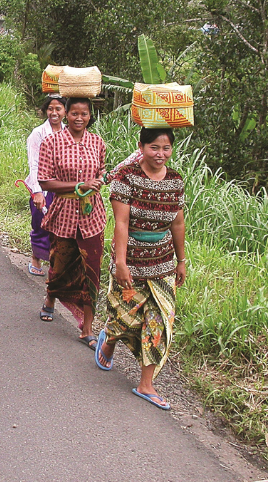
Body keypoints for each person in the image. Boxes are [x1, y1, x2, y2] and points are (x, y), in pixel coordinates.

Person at [95, 127, 186, 411]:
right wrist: (121, 264)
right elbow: (121, 223)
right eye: (154, 148)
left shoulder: (175, 181)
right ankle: (110, 337)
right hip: (131, 259)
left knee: (161, 320)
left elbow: (178, 223)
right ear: (141, 147)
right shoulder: (126, 178)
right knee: (126, 318)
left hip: (163, 262)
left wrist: (181, 260)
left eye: (166, 148)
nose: (160, 154)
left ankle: (146, 383)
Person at [37, 97, 106, 344]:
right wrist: (79, 185)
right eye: (74, 113)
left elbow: (101, 171)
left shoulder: (98, 142)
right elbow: (44, 181)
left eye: (84, 114)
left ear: (90, 115)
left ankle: (87, 328)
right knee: (60, 263)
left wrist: (99, 180)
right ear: (67, 114)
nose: (79, 118)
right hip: (64, 212)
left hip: (92, 215)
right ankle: (51, 296)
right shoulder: (51, 142)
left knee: (92, 271)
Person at [24, 95, 67, 278]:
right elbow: (34, 164)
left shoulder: (70, 132)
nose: (54, 113)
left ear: (65, 111)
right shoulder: (38, 133)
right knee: (41, 224)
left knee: (62, 226)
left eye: (58, 109)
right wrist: (37, 192)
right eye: (50, 109)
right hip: (42, 187)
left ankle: (58, 263)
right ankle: (36, 258)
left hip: (63, 188)